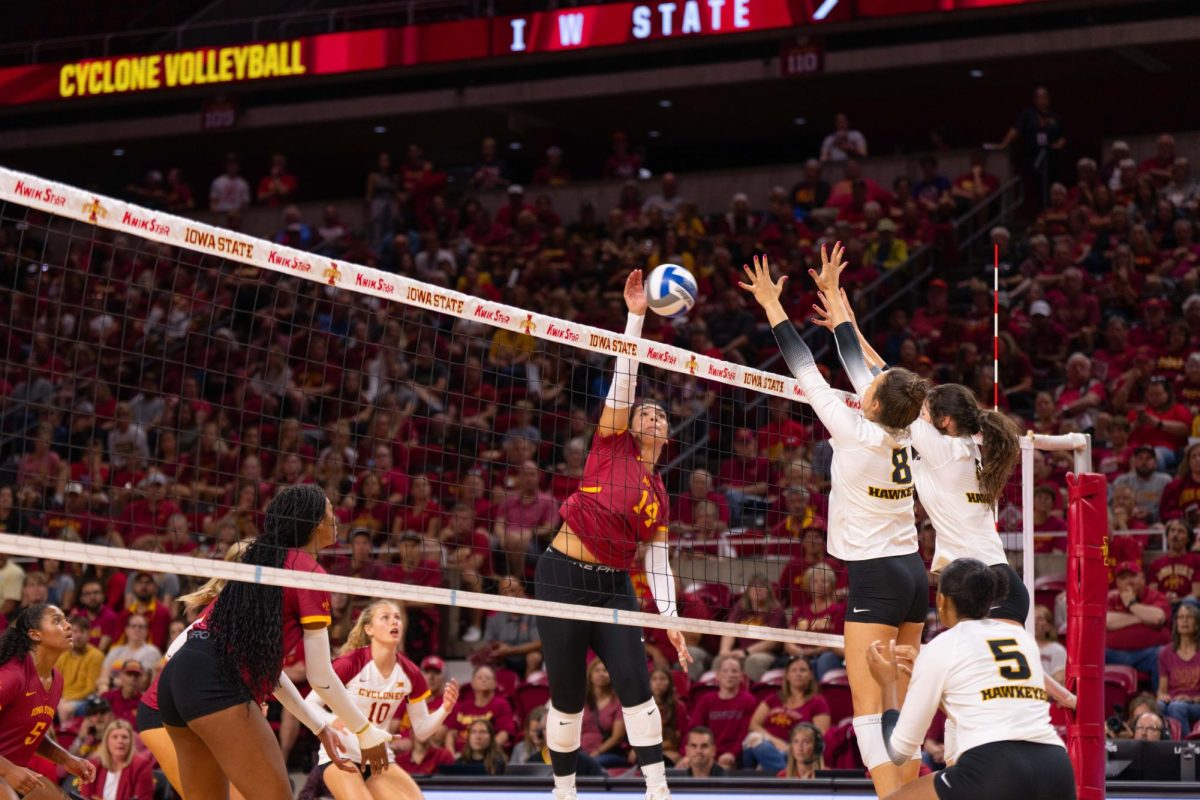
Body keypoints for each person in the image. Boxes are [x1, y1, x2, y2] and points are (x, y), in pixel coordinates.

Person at [740, 248, 928, 797]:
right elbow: (858, 363)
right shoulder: (907, 429)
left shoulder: (855, 431)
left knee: (868, 711)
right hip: (912, 574)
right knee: (902, 706)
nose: (862, 385)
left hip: (876, 580)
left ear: (871, 405)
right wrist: (837, 302)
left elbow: (804, 365)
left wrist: (773, 305)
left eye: (868, 389)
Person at [533, 268, 690, 800]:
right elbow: (626, 379)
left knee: (636, 684)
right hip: (561, 576)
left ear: (667, 436)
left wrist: (669, 618)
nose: (648, 415)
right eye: (642, 411)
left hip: (613, 587)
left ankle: (657, 788)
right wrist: (635, 318)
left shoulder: (661, 495)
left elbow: (658, 559)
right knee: (569, 695)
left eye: (658, 415)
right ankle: (564, 791)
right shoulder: (611, 444)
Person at [156, 484, 393, 800]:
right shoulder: (308, 573)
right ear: (313, 522)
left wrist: (320, 727)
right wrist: (365, 731)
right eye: (329, 511)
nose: (335, 517)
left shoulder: (261, 560)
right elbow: (320, 677)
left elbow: (266, 669)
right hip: (215, 683)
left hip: (176, 680)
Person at [139, 540, 344, 800]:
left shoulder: (257, 616)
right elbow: (177, 657)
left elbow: (271, 674)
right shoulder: (220, 616)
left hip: (207, 704)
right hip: (162, 712)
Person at [867, 558, 1076, 800]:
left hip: (995, 768)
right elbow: (987, 704)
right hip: (1055, 766)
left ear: (941, 601)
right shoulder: (1022, 638)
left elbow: (898, 751)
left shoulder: (942, 645)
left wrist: (887, 685)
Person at [305, 600, 459, 800]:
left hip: (379, 757)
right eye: (385, 618)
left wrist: (445, 709)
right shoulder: (350, 663)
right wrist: (332, 721)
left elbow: (421, 731)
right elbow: (309, 704)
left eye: (397, 617)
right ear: (369, 628)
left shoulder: (411, 673)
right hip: (342, 756)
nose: (394, 622)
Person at [0, 604, 96, 797]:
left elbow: (28, 733)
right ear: (35, 635)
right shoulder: (11, 677)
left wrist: (66, 759)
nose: (68, 625)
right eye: (57, 621)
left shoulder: (56, 680)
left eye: (66, 619)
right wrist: (8, 770)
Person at [744, 656, 832, 773]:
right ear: (787, 675)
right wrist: (775, 741)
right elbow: (754, 725)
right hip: (768, 743)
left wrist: (792, 747)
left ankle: (784, 776)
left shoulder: (817, 702)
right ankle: (790, 776)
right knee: (757, 744)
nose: (798, 674)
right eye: (794, 670)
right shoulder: (774, 699)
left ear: (810, 675)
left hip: (794, 750)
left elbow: (819, 735)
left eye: (803, 670)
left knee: (762, 750)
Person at [75, 719, 154, 800]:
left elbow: (144, 798)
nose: (120, 741)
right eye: (115, 737)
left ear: (130, 742)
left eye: (124, 737)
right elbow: (85, 797)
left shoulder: (141, 765)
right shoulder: (93, 765)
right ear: (106, 742)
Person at [1158, 600, 1200, 733]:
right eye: (1181, 617)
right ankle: (1163, 747)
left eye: (1189, 617)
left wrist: (1192, 699)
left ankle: (1186, 747)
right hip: (1173, 700)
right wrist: (1163, 696)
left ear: (1197, 624)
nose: (1184, 621)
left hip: (1196, 703)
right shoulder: (1166, 653)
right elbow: (1161, 690)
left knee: (1177, 707)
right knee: (1158, 706)